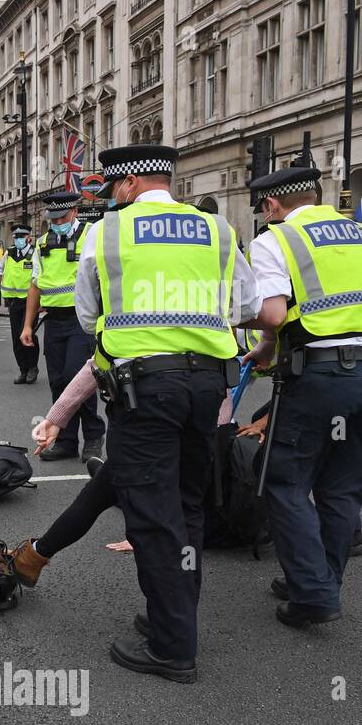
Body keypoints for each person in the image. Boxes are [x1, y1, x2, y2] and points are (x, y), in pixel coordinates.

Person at [75, 144, 261, 682]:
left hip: (144, 390)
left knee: (153, 514)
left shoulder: (107, 233)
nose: (113, 196)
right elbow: (245, 307)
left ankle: (173, 645)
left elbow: (89, 317)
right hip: (208, 384)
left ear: (129, 184)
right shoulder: (218, 229)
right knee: (189, 503)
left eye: (114, 187)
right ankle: (175, 612)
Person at [244, 165, 362, 627]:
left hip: (321, 378)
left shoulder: (277, 240)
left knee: (284, 483)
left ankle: (313, 594)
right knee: (343, 487)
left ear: (271, 205)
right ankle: (319, 579)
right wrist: (269, 350)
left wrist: (244, 322)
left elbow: (271, 312)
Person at [22, 191, 106, 461]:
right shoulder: (44, 243)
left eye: (62, 217)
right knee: (58, 381)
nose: (57, 222)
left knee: (76, 377)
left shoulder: (92, 234)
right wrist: (27, 326)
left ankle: (93, 436)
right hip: (55, 321)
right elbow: (35, 285)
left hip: (82, 320)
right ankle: (67, 441)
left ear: (74, 213)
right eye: (53, 218)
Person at [0, 224, 38, 384]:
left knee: (28, 334)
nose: (19, 240)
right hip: (14, 301)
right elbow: (1, 271)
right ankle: (23, 369)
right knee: (16, 337)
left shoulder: (35, 253)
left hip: (30, 301)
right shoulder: (9, 253)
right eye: (16, 237)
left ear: (29, 237)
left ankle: (32, 368)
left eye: (22, 237)